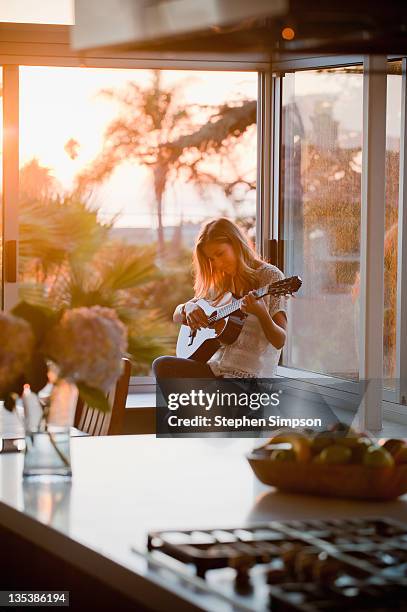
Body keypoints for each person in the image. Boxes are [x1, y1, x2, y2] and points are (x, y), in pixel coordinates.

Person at [152, 217, 288, 380]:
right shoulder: (221, 281)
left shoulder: (271, 276)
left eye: (220, 254)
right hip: (216, 371)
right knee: (163, 365)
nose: (217, 264)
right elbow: (177, 316)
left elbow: (280, 341)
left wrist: (262, 314)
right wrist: (188, 307)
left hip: (249, 381)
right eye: (211, 259)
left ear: (236, 244)